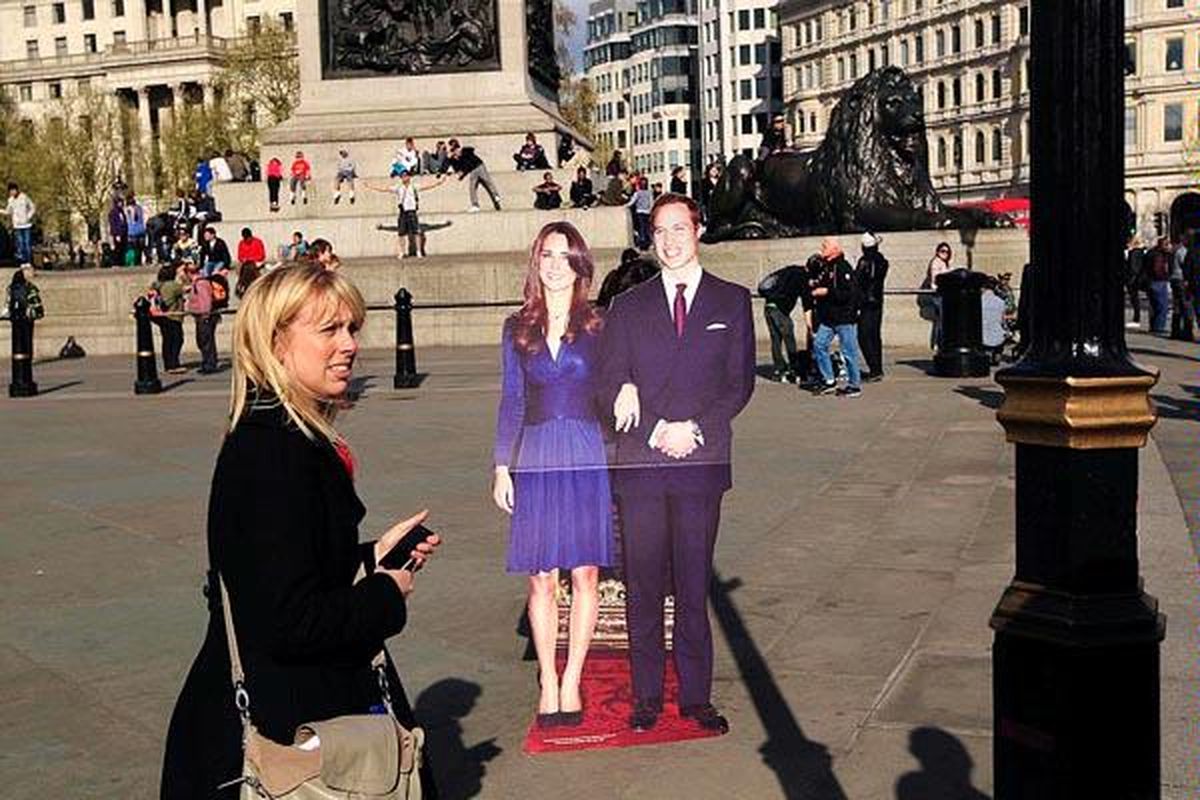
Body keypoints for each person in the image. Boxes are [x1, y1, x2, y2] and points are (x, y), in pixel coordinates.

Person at [160, 263, 442, 799]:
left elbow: (283, 567)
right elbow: (289, 622)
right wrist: (386, 593)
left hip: (298, 707)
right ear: (277, 343)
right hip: (290, 731)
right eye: (329, 330)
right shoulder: (276, 453)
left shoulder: (282, 439)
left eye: (352, 328)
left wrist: (370, 556)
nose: (349, 345)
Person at [599, 193, 754, 734]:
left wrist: (695, 429)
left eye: (678, 229)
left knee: (692, 583)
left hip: (700, 461)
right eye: (659, 230)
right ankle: (646, 698)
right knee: (643, 586)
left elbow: (738, 384)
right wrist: (653, 425)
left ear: (699, 230)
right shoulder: (628, 307)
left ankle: (695, 697)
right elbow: (609, 383)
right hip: (642, 463)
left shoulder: (731, 301)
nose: (668, 240)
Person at [492, 221, 614, 728]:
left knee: (585, 573)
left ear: (580, 265)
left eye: (564, 256)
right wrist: (502, 465)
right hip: (538, 455)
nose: (554, 265)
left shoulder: (599, 325)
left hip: (586, 450)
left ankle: (572, 679)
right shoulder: (516, 327)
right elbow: (512, 399)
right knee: (542, 578)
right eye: (546, 255)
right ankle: (548, 678)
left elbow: (616, 385)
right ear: (535, 262)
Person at [810, 237, 864, 398]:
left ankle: (854, 385)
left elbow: (848, 293)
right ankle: (829, 380)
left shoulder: (843, 267)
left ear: (835, 249)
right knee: (819, 344)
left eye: (825, 246)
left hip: (844, 317)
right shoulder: (827, 267)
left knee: (849, 351)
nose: (822, 248)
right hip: (828, 318)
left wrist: (826, 292)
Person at [366, 172, 444, 259]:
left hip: (412, 211)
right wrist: (370, 186)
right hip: (403, 211)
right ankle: (402, 252)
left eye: (405, 176)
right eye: (402, 176)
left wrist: (438, 183)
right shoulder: (398, 187)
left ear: (409, 177)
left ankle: (419, 251)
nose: (404, 178)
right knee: (401, 233)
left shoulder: (414, 186)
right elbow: (385, 189)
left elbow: (426, 186)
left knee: (417, 232)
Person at [757, 262, 808, 383]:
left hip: (769, 307)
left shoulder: (788, 271)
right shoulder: (801, 276)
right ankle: (794, 367)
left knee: (776, 339)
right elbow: (806, 298)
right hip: (780, 311)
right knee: (789, 337)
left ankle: (779, 368)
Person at [854, 232, 889, 381]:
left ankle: (874, 369)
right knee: (874, 336)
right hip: (877, 301)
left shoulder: (865, 262)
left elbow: (858, 282)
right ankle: (877, 368)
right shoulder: (882, 261)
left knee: (864, 336)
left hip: (866, 303)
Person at [149, 263, 187, 373]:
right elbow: (189, 288)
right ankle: (173, 364)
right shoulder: (173, 285)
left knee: (167, 340)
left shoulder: (156, 284)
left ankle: (168, 364)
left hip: (160, 316)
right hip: (173, 316)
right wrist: (183, 276)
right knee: (177, 340)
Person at [447, 138, 502, 212]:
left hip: (479, 166)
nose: (454, 152)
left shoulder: (465, 151)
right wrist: (452, 159)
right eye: (453, 151)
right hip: (472, 171)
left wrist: (461, 152)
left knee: (487, 181)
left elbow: (471, 151)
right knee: (472, 187)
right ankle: (475, 205)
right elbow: (458, 168)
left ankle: (496, 195)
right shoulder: (457, 159)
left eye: (454, 149)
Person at [923, 241, 954, 349]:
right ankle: (939, 342)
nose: (945, 253)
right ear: (937, 251)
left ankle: (939, 342)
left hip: (944, 294)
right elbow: (935, 279)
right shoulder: (936, 263)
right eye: (942, 251)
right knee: (942, 319)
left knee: (941, 319)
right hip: (939, 294)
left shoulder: (943, 263)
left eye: (947, 251)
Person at [2, 183, 37, 266]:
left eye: (13, 190)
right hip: (17, 225)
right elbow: (8, 212)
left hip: (26, 224)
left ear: (17, 190)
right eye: (10, 191)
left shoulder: (24, 197)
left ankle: (28, 261)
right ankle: (23, 262)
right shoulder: (10, 200)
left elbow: (32, 207)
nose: (12, 193)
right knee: (20, 245)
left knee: (27, 243)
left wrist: (28, 217)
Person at [1170, 231, 1193, 341]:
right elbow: (1186, 266)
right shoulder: (1183, 251)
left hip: (1174, 278)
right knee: (1186, 305)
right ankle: (1187, 332)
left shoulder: (1174, 251)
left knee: (1177, 306)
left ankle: (1175, 331)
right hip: (1181, 279)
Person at [1147, 237, 1172, 334]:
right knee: (1162, 306)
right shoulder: (1159, 255)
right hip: (1159, 281)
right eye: (1166, 244)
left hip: (1151, 281)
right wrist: (1165, 276)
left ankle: (1154, 326)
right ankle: (1159, 327)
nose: (1168, 246)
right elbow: (1157, 269)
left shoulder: (1152, 253)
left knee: (1154, 305)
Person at [626, 177, 653, 250]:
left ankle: (642, 242)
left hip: (640, 211)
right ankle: (649, 242)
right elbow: (651, 202)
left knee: (641, 227)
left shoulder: (637, 193)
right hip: (648, 212)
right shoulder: (649, 192)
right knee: (647, 227)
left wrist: (626, 206)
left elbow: (632, 202)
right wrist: (651, 210)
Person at [125, 194, 148, 266]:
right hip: (141, 230)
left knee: (134, 248)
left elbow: (131, 219)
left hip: (132, 231)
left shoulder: (129, 209)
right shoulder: (139, 208)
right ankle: (140, 261)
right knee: (141, 248)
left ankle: (135, 262)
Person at [108, 196, 129, 265]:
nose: (121, 204)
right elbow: (113, 224)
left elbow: (124, 222)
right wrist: (116, 234)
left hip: (123, 233)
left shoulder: (122, 212)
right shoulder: (113, 212)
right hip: (117, 233)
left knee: (123, 248)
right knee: (118, 248)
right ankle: (117, 262)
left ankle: (122, 261)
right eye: (120, 203)